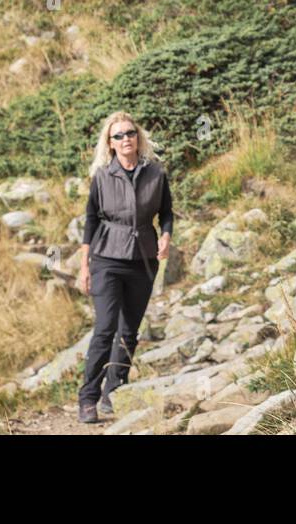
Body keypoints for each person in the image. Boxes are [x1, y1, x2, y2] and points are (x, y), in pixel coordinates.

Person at [76, 111, 172, 423]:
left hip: (142, 259)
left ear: (138, 137)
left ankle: (114, 392)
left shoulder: (156, 173)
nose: (125, 139)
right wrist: (84, 266)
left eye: (130, 133)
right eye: (118, 135)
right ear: (110, 143)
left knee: (129, 330)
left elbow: (167, 212)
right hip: (106, 258)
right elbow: (91, 220)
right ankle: (88, 397)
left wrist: (166, 236)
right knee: (105, 328)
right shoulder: (102, 176)